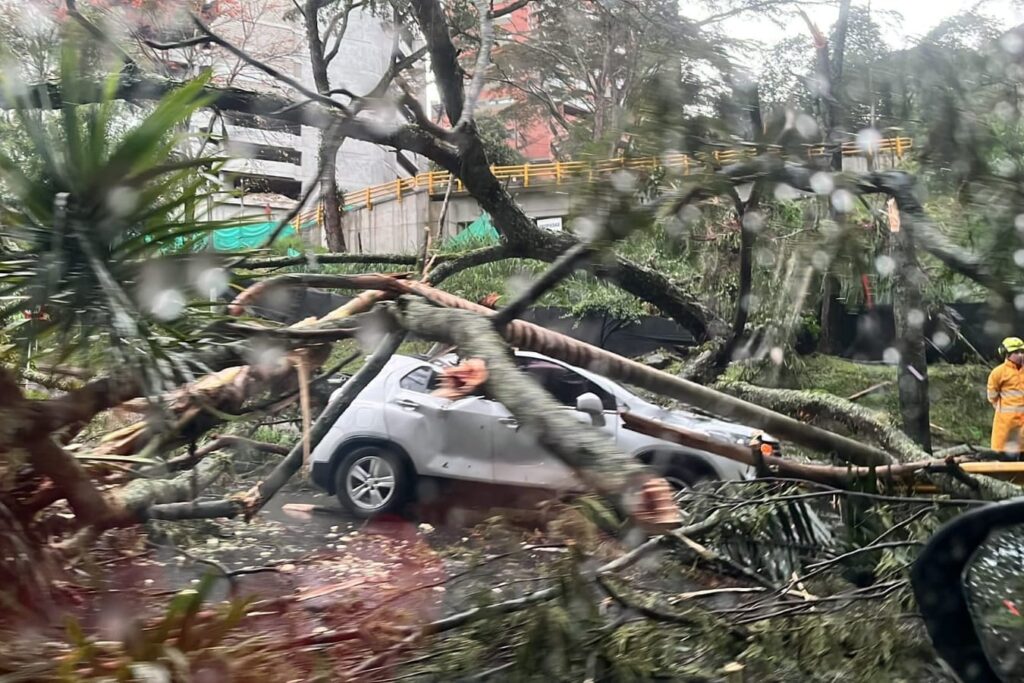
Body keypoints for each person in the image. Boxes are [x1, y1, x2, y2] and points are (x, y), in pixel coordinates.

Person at [987, 337, 1024, 455]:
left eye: (1022, 352)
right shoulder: (998, 373)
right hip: (1006, 422)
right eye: (1016, 352)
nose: (1020, 355)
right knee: (1003, 452)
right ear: (1006, 354)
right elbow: (992, 396)